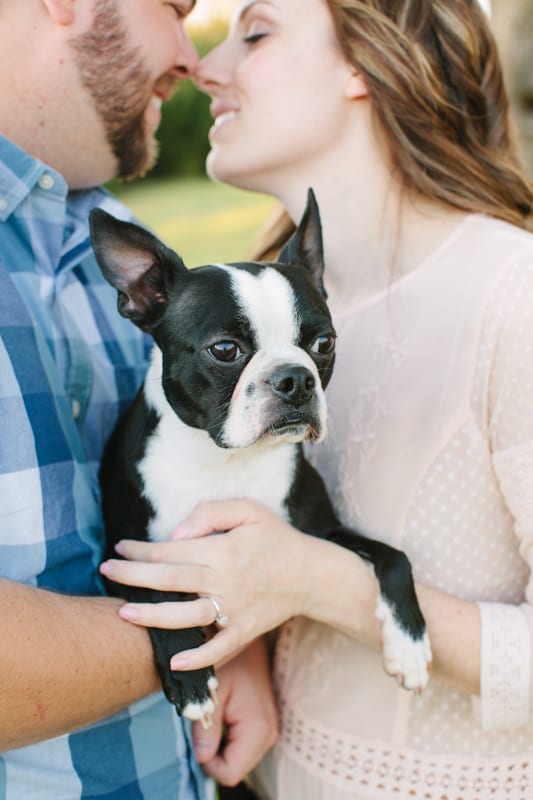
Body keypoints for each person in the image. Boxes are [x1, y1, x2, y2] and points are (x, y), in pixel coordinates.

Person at [100, 0, 533, 798]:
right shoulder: (268, 300)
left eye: (254, 32)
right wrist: (254, 648)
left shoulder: (514, 301)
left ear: (367, 67)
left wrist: (317, 582)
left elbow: (295, 565)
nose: (203, 64)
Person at [0, 0, 277, 797]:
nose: (193, 59)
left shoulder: (114, 236)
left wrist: (245, 654)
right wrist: (234, 614)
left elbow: (188, 473)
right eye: (176, 7)